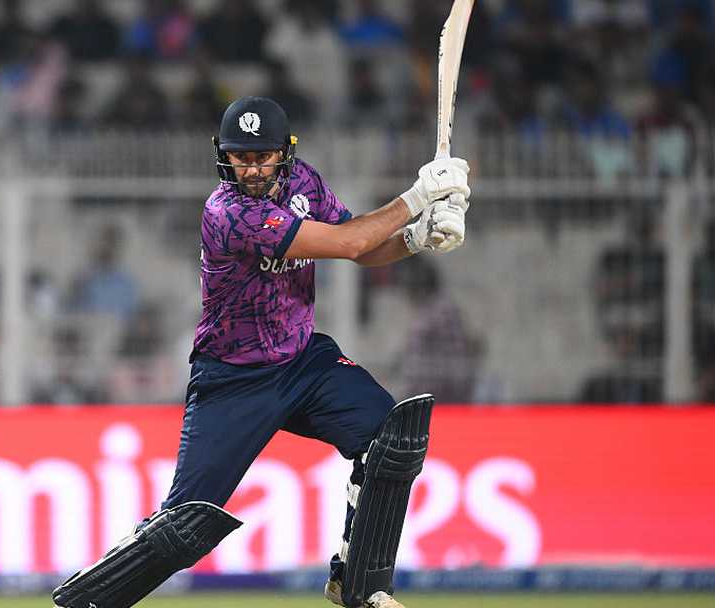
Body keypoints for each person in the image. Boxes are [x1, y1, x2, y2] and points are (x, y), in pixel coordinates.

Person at [50, 97, 471, 608]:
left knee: (391, 437)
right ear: (223, 156)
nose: (251, 169)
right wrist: (419, 196)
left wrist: (416, 237)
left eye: (262, 157)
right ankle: (83, 604)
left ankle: (359, 587)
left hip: (302, 361)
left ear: (284, 153)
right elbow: (350, 244)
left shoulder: (305, 183)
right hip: (234, 378)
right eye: (240, 157)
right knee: (185, 527)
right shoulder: (228, 212)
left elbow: (360, 243)